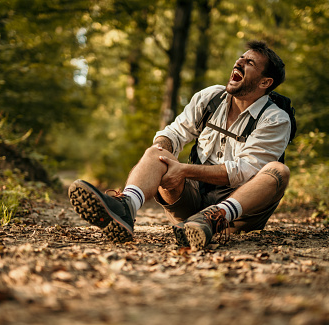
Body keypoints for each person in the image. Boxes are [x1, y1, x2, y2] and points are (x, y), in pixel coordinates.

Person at [68, 40, 291, 250]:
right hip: (191, 199)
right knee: (157, 150)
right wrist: (162, 153)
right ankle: (126, 207)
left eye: (249, 63)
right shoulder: (210, 98)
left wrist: (183, 169)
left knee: (279, 171)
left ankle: (212, 219)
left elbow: (244, 171)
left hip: (237, 211)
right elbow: (174, 133)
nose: (238, 63)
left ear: (265, 82)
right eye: (240, 58)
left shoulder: (275, 119)